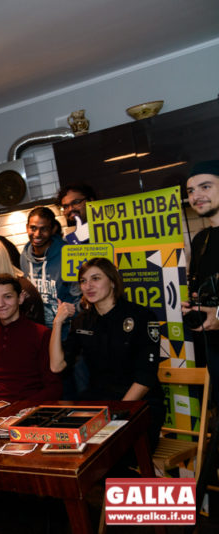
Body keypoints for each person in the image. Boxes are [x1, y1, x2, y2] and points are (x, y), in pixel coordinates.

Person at [49, 258, 164, 447]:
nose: (88, 286)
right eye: (83, 281)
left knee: (108, 453)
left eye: (95, 278)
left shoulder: (141, 316)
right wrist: (57, 322)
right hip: (99, 403)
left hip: (137, 405)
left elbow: (145, 379)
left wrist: (116, 416)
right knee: (64, 445)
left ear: (112, 282)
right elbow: (56, 366)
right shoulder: (82, 321)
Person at [182, 160, 219, 519]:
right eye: (191, 191)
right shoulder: (202, 239)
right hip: (214, 351)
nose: (196, 196)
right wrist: (195, 307)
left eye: (205, 186)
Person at [0, 275, 62, 403]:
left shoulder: (42, 334)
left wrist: (22, 407)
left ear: (20, 298)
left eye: (7, 297)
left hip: (27, 408)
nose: (0, 304)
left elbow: (54, 388)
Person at [20, 206, 80, 329]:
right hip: (39, 332)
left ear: (53, 229)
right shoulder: (24, 257)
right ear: (27, 228)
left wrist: (70, 316)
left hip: (66, 331)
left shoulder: (68, 254)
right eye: (33, 228)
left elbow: (78, 297)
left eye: (44, 229)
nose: (37, 234)